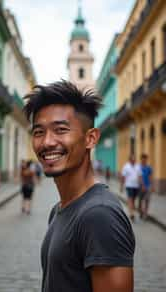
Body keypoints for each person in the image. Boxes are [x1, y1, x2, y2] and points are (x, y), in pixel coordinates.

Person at [24, 80, 135, 292]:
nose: (47, 142)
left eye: (60, 130)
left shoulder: (100, 215)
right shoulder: (59, 210)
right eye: (38, 132)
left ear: (90, 138)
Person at [121, 154, 142, 222]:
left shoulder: (138, 166)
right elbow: (123, 177)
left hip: (136, 186)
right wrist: (121, 186)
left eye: (134, 159)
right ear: (129, 159)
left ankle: (131, 210)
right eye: (132, 159)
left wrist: (141, 184)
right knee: (130, 199)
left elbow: (139, 176)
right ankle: (131, 214)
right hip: (129, 185)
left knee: (133, 200)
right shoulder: (126, 167)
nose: (133, 160)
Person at [138, 153, 153, 219]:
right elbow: (138, 177)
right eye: (143, 159)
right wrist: (142, 185)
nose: (144, 160)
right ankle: (141, 211)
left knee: (147, 200)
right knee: (140, 201)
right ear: (141, 159)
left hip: (148, 186)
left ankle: (145, 214)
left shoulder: (149, 168)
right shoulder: (138, 167)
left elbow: (150, 177)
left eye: (145, 159)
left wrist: (151, 185)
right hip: (140, 187)